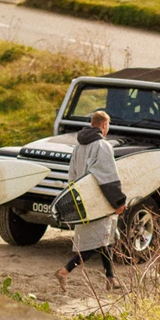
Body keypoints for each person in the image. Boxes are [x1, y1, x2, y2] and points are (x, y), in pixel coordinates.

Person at [56, 110, 126, 292]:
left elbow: (71, 175)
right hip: (99, 199)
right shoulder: (102, 146)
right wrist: (118, 201)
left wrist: (74, 200)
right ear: (104, 125)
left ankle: (111, 277)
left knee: (105, 238)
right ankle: (65, 270)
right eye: (108, 126)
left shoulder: (79, 147)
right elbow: (107, 175)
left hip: (83, 198)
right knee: (96, 241)